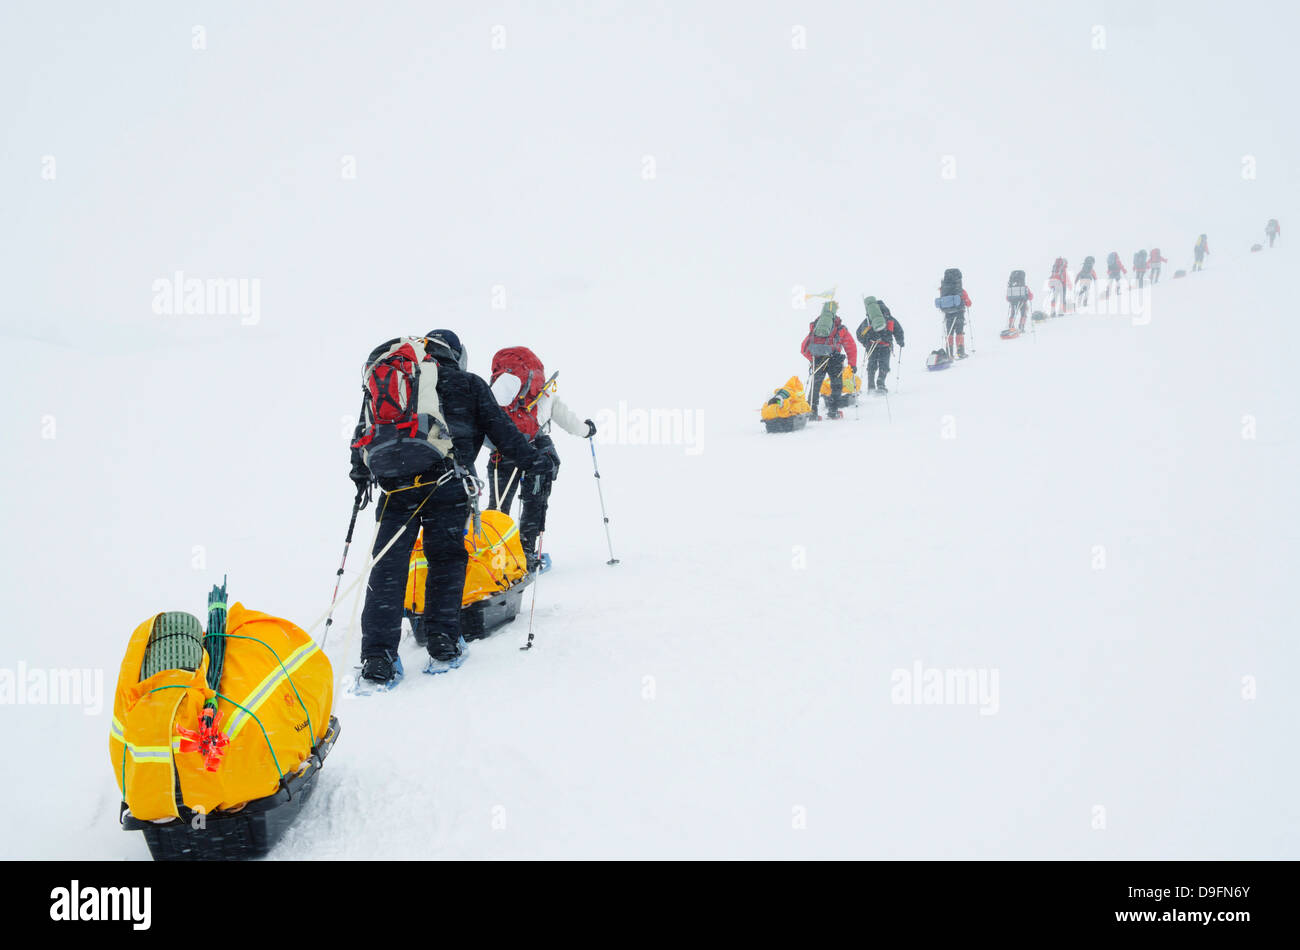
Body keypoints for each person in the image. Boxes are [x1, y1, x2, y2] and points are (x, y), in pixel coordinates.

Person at [349, 330, 554, 687]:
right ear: (457, 355)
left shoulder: (403, 378)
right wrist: (536, 459)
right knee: (445, 559)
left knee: (389, 566)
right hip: (448, 485)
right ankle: (443, 641)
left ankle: (378, 657)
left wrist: (360, 474)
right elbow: (504, 435)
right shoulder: (469, 384)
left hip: (397, 487)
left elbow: (365, 432)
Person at [485, 346, 597, 573]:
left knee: (498, 507)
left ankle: (493, 555)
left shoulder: (496, 393)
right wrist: (587, 430)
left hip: (503, 452)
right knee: (534, 504)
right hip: (537, 454)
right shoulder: (545, 393)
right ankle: (526, 553)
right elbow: (570, 422)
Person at [801, 300, 858, 419]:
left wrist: (812, 359)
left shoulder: (815, 327)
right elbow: (850, 347)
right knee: (836, 385)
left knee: (815, 385)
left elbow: (804, 348)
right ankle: (833, 411)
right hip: (835, 359)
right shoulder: (839, 328)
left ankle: (812, 412)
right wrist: (852, 364)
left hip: (817, 359)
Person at [855, 297, 905, 392]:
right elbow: (898, 330)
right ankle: (881, 382)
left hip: (872, 345)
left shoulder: (869, 320)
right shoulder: (889, 318)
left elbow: (858, 333)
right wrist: (900, 341)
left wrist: (865, 343)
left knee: (871, 365)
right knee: (884, 365)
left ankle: (871, 385)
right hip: (886, 346)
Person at [935, 268, 972, 359]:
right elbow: (969, 303)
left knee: (949, 332)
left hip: (947, 314)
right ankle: (960, 352)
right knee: (959, 331)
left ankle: (949, 353)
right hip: (959, 313)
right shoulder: (960, 290)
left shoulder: (943, 290)